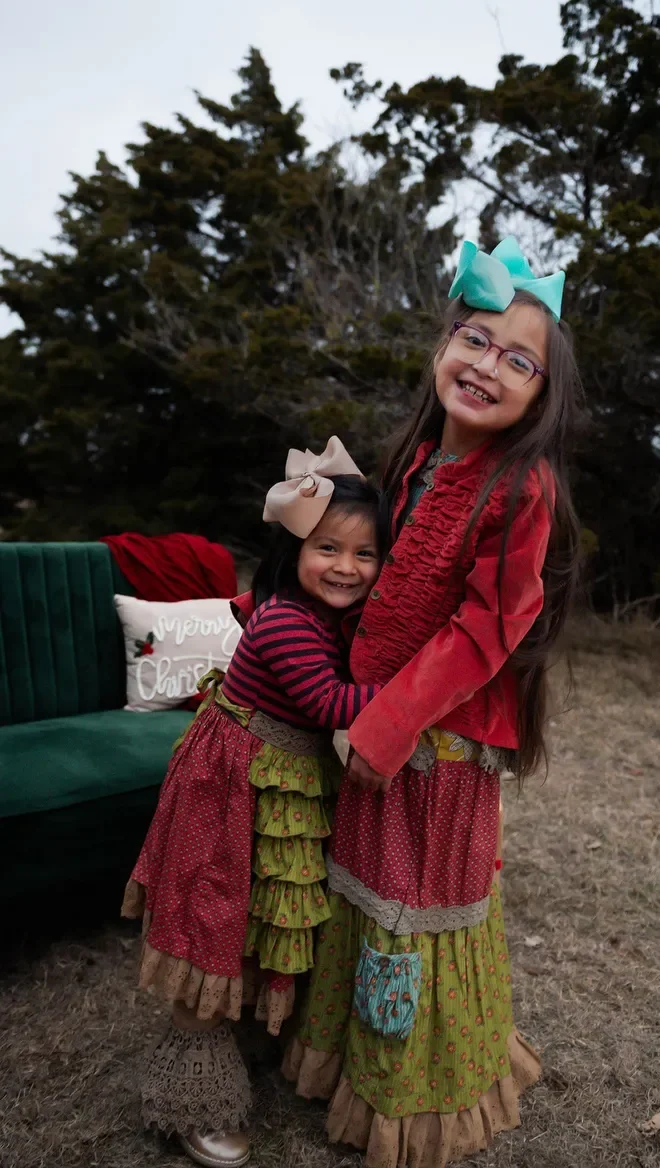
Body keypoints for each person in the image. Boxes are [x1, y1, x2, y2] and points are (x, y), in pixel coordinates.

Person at [283, 238, 583, 1168]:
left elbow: (489, 626)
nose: (489, 366)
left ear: (542, 396)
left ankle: (414, 1102)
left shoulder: (521, 485)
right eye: (476, 340)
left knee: (416, 908)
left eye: (519, 360)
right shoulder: (414, 461)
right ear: (444, 347)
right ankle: (352, 1061)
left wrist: (385, 724)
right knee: (368, 894)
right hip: (374, 725)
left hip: (439, 747)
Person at [122, 440, 385, 1168]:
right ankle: (192, 1094)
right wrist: (420, 692)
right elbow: (330, 704)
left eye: (365, 554)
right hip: (232, 781)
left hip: (283, 779)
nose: (346, 567)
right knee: (215, 914)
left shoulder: (325, 616)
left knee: (265, 910)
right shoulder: (285, 621)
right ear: (293, 548)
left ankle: (246, 1027)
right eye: (328, 548)